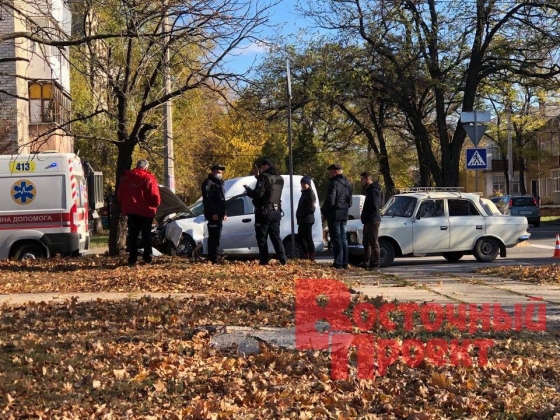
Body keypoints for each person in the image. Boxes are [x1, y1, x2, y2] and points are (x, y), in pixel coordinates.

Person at [117, 159, 161, 266]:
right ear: (146, 167)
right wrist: (155, 204)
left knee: (132, 235)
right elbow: (155, 196)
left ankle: (132, 259)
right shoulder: (149, 178)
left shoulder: (126, 177)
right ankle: (147, 257)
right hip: (146, 211)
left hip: (132, 211)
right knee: (146, 235)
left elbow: (120, 195)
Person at [244, 158, 287, 266]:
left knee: (262, 237)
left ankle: (264, 260)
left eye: (262, 167)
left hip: (264, 212)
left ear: (265, 166)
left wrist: (248, 191)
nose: (261, 169)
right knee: (276, 237)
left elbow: (258, 194)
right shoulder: (279, 178)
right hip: (276, 211)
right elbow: (269, 189)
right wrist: (258, 177)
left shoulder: (264, 178)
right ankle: (283, 259)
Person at [321, 163, 353, 269]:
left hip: (334, 214)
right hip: (344, 213)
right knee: (343, 238)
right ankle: (345, 261)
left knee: (336, 238)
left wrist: (324, 211)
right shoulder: (348, 184)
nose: (329, 174)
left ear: (335, 171)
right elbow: (350, 201)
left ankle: (338, 262)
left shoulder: (334, 183)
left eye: (330, 171)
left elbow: (331, 200)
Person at [202, 164, 227, 264]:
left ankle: (214, 257)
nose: (220, 174)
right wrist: (213, 213)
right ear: (213, 171)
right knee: (213, 237)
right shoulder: (208, 183)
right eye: (218, 172)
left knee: (217, 237)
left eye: (221, 172)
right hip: (213, 215)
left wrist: (224, 213)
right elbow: (208, 200)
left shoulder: (219, 184)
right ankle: (213, 258)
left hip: (219, 215)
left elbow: (222, 201)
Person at [360, 172, 382, 270]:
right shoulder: (369, 190)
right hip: (368, 220)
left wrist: (366, 215)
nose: (361, 182)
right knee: (366, 242)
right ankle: (366, 262)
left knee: (373, 242)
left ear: (367, 179)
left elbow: (374, 206)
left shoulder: (373, 191)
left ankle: (376, 263)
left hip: (373, 220)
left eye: (362, 179)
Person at [296, 176, 317, 262]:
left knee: (308, 238)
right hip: (302, 220)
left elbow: (312, 208)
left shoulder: (310, 194)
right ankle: (306, 254)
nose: (303, 185)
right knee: (301, 238)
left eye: (305, 183)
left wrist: (301, 214)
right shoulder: (304, 193)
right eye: (302, 183)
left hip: (307, 219)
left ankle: (311, 256)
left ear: (308, 184)